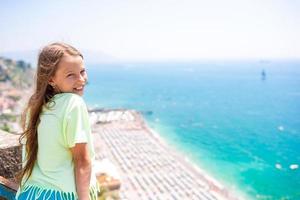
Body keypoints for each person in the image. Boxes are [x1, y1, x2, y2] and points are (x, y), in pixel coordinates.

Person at [16, 42, 99, 200]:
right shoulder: (73, 104)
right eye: (71, 75)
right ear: (51, 79)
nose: (81, 79)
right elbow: (82, 161)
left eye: (82, 71)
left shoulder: (35, 106)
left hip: (30, 194)